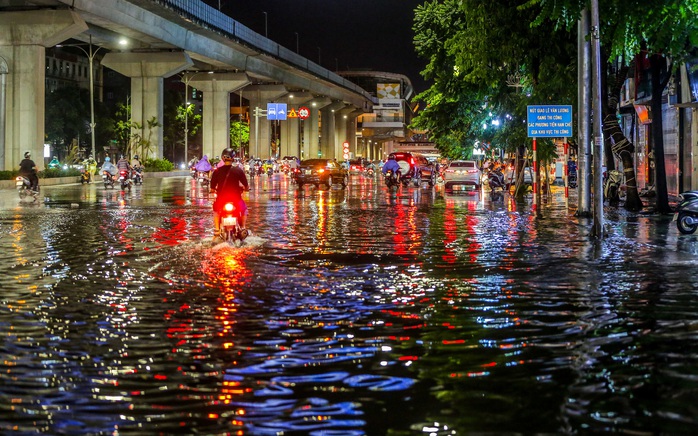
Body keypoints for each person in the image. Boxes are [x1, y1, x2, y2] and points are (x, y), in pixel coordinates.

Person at [210, 148, 249, 237]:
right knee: (244, 210)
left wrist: (213, 190)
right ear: (233, 158)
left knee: (216, 210)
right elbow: (246, 186)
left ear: (223, 158)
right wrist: (245, 188)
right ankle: (242, 227)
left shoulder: (217, 171)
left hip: (221, 200)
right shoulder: (238, 170)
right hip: (236, 200)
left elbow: (212, 188)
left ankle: (216, 230)